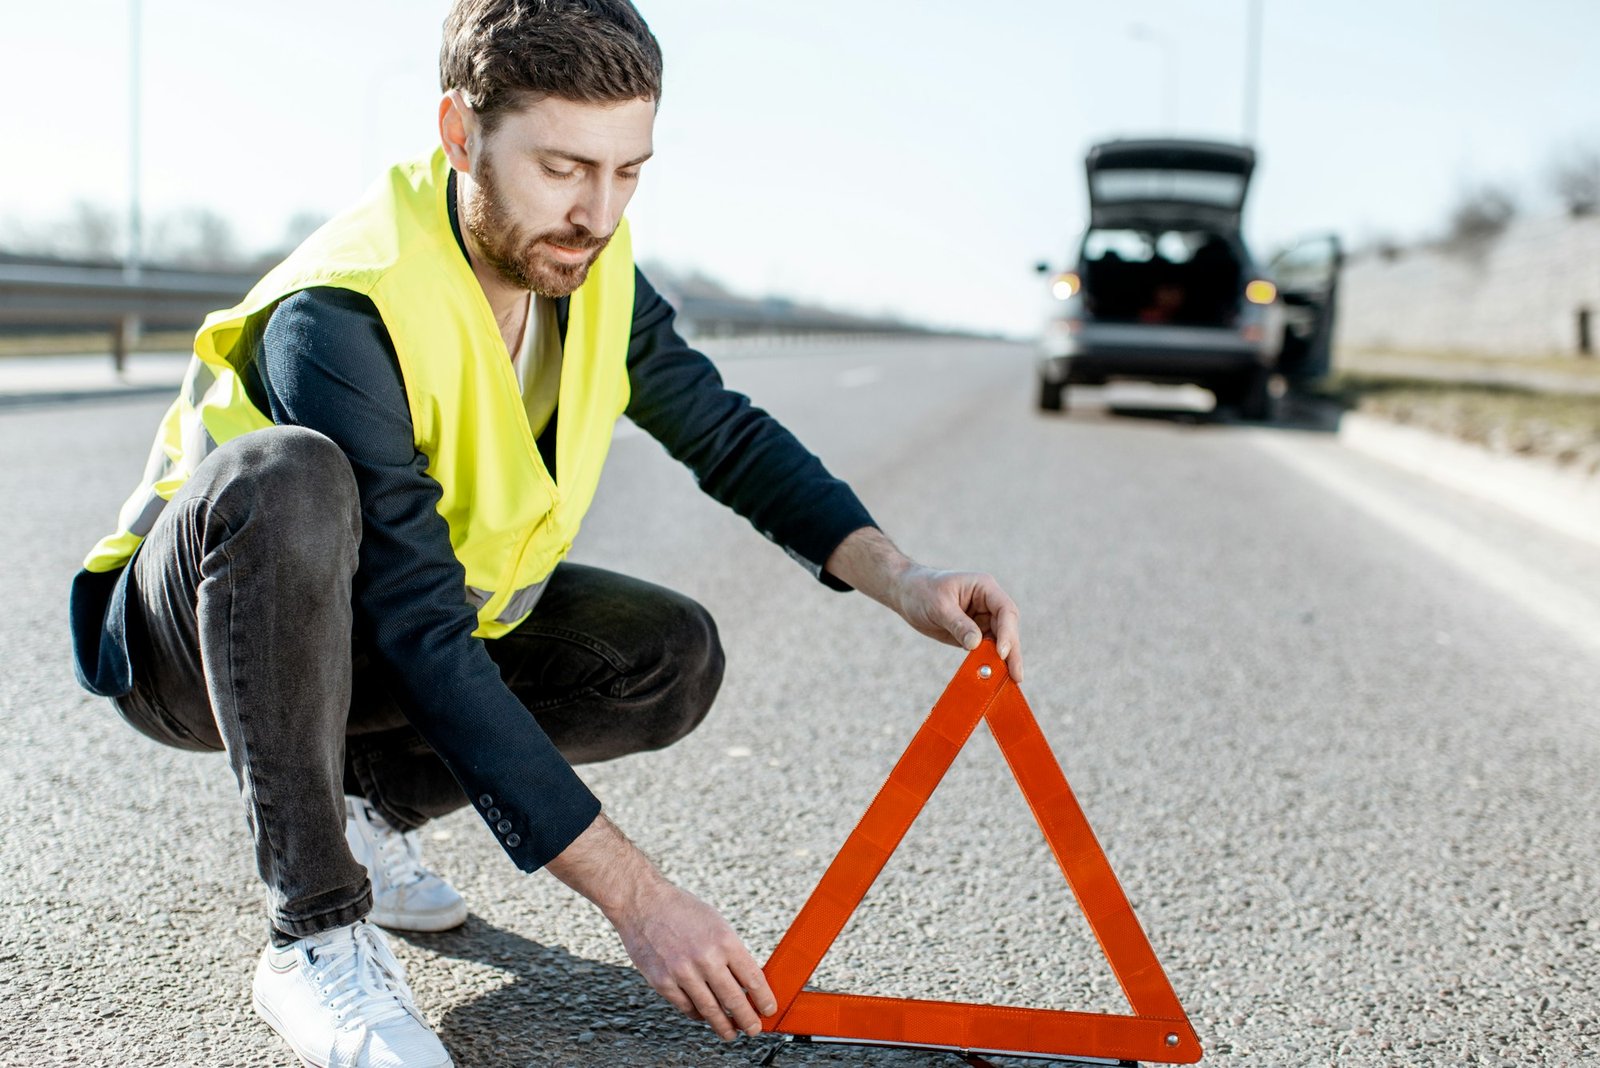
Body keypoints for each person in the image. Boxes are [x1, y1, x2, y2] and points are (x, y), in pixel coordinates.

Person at [67, 2, 1024, 1065]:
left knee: (667, 655)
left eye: (628, 171)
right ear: (458, 133)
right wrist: (639, 897)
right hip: (198, 644)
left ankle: (368, 815)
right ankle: (314, 933)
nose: (597, 213)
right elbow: (420, 628)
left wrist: (901, 578)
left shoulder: (593, 269)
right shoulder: (344, 306)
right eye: (563, 168)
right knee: (289, 474)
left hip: (378, 630)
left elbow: (725, 434)